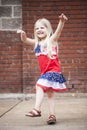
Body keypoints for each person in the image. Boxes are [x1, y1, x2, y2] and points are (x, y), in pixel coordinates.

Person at [19, 13, 68, 125]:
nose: (39, 30)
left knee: (39, 85)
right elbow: (25, 40)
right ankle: (52, 115)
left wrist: (62, 22)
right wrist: (23, 35)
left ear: (48, 29)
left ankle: (37, 109)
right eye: (37, 28)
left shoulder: (51, 41)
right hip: (45, 73)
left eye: (42, 27)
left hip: (54, 71)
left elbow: (58, 32)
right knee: (50, 95)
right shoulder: (37, 43)